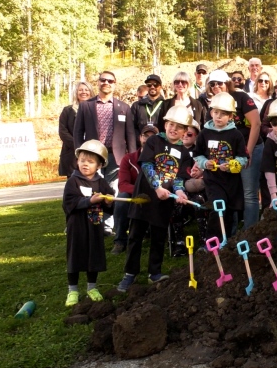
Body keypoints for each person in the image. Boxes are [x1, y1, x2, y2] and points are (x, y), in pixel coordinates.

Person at [117, 106, 193, 291]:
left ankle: (155, 273)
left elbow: (179, 178)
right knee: (135, 236)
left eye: (179, 127)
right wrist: (157, 187)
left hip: (163, 203)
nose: (174, 129)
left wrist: (180, 192)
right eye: (171, 124)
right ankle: (130, 274)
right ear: (165, 124)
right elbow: (147, 164)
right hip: (144, 197)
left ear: (185, 131)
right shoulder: (153, 141)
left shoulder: (184, 153)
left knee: (159, 236)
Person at [73, 71, 136, 235]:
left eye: (110, 80)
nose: (106, 83)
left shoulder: (124, 108)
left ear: (115, 84)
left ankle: (107, 227)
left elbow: (130, 135)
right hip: (93, 156)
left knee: (111, 191)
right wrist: (80, 155)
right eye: (103, 80)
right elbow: (78, 132)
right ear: (98, 82)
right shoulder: (86, 106)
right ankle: (93, 224)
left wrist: (133, 158)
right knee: (91, 189)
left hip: (116, 157)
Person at [203, 69, 262, 228]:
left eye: (219, 83)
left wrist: (247, 151)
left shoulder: (241, 97)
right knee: (231, 192)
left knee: (249, 193)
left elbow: (256, 124)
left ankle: (250, 232)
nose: (216, 86)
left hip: (251, 147)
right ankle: (231, 233)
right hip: (226, 153)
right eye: (212, 84)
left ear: (227, 83)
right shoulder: (213, 103)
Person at [62, 139, 114, 306]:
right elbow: (69, 203)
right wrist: (89, 201)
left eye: (90, 162)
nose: (85, 164)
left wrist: (109, 202)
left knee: (94, 255)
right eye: (82, 160)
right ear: (77, 161)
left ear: (99, 165)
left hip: (94, 226)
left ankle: (92, 287)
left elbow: (109, 204)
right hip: (77, 227)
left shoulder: (101, 183)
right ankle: (73, 290)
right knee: (75, 256)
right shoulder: (73, 181)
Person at [192, 92, 247, 242]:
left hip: (231, 181)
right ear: (211, 112)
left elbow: (243, 158)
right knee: (218, 207)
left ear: (231, 116)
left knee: (229, 211)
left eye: (223, 114)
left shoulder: (236, 135)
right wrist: (205, 163)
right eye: (216, 112)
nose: (219, 117)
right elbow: (197, 154)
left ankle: (228, 241)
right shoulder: (204, 133)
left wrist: (232, 165)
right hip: (213, 180)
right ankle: (212, 242)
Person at [112, 124, 159, 255]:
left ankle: (155, 235)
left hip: (156, 194)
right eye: (146, 136)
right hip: (134, 196)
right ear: (140, 138)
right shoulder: (128, 159)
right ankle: (120, 240)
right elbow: (123, 184)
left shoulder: (161, 159)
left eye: (153, 136)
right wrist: (140, 192)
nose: (148, 139)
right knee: (121, 199)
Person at [169, 121, 207, 256]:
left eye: (189, 134)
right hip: (176, 187)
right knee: (175, 206)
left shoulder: (200, 152)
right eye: (183, 133)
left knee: (199, 203)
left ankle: (204, 241)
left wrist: (200, 173)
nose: (185, 136)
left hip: (196, 189)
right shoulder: (172, 149)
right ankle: (179, 243)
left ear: (196, 136)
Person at [59, 81, 93, 177]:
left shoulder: (96, 110)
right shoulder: (68, 111)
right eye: (80, 90)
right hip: (72, 153)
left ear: (91, 92)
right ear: (76, 93)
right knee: (74, 185)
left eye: (86, 90)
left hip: (92, 151)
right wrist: (78, 146)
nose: (83, 92)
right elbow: (63, 131)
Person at [131, 74, 165, 146]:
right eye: (149, 85)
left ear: (160, 87)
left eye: (155, 84)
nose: (152, 87)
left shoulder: (166, 105)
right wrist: (141, 139)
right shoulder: (136, 105)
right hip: (141, 146)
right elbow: (132, 128)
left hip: (160, 146)